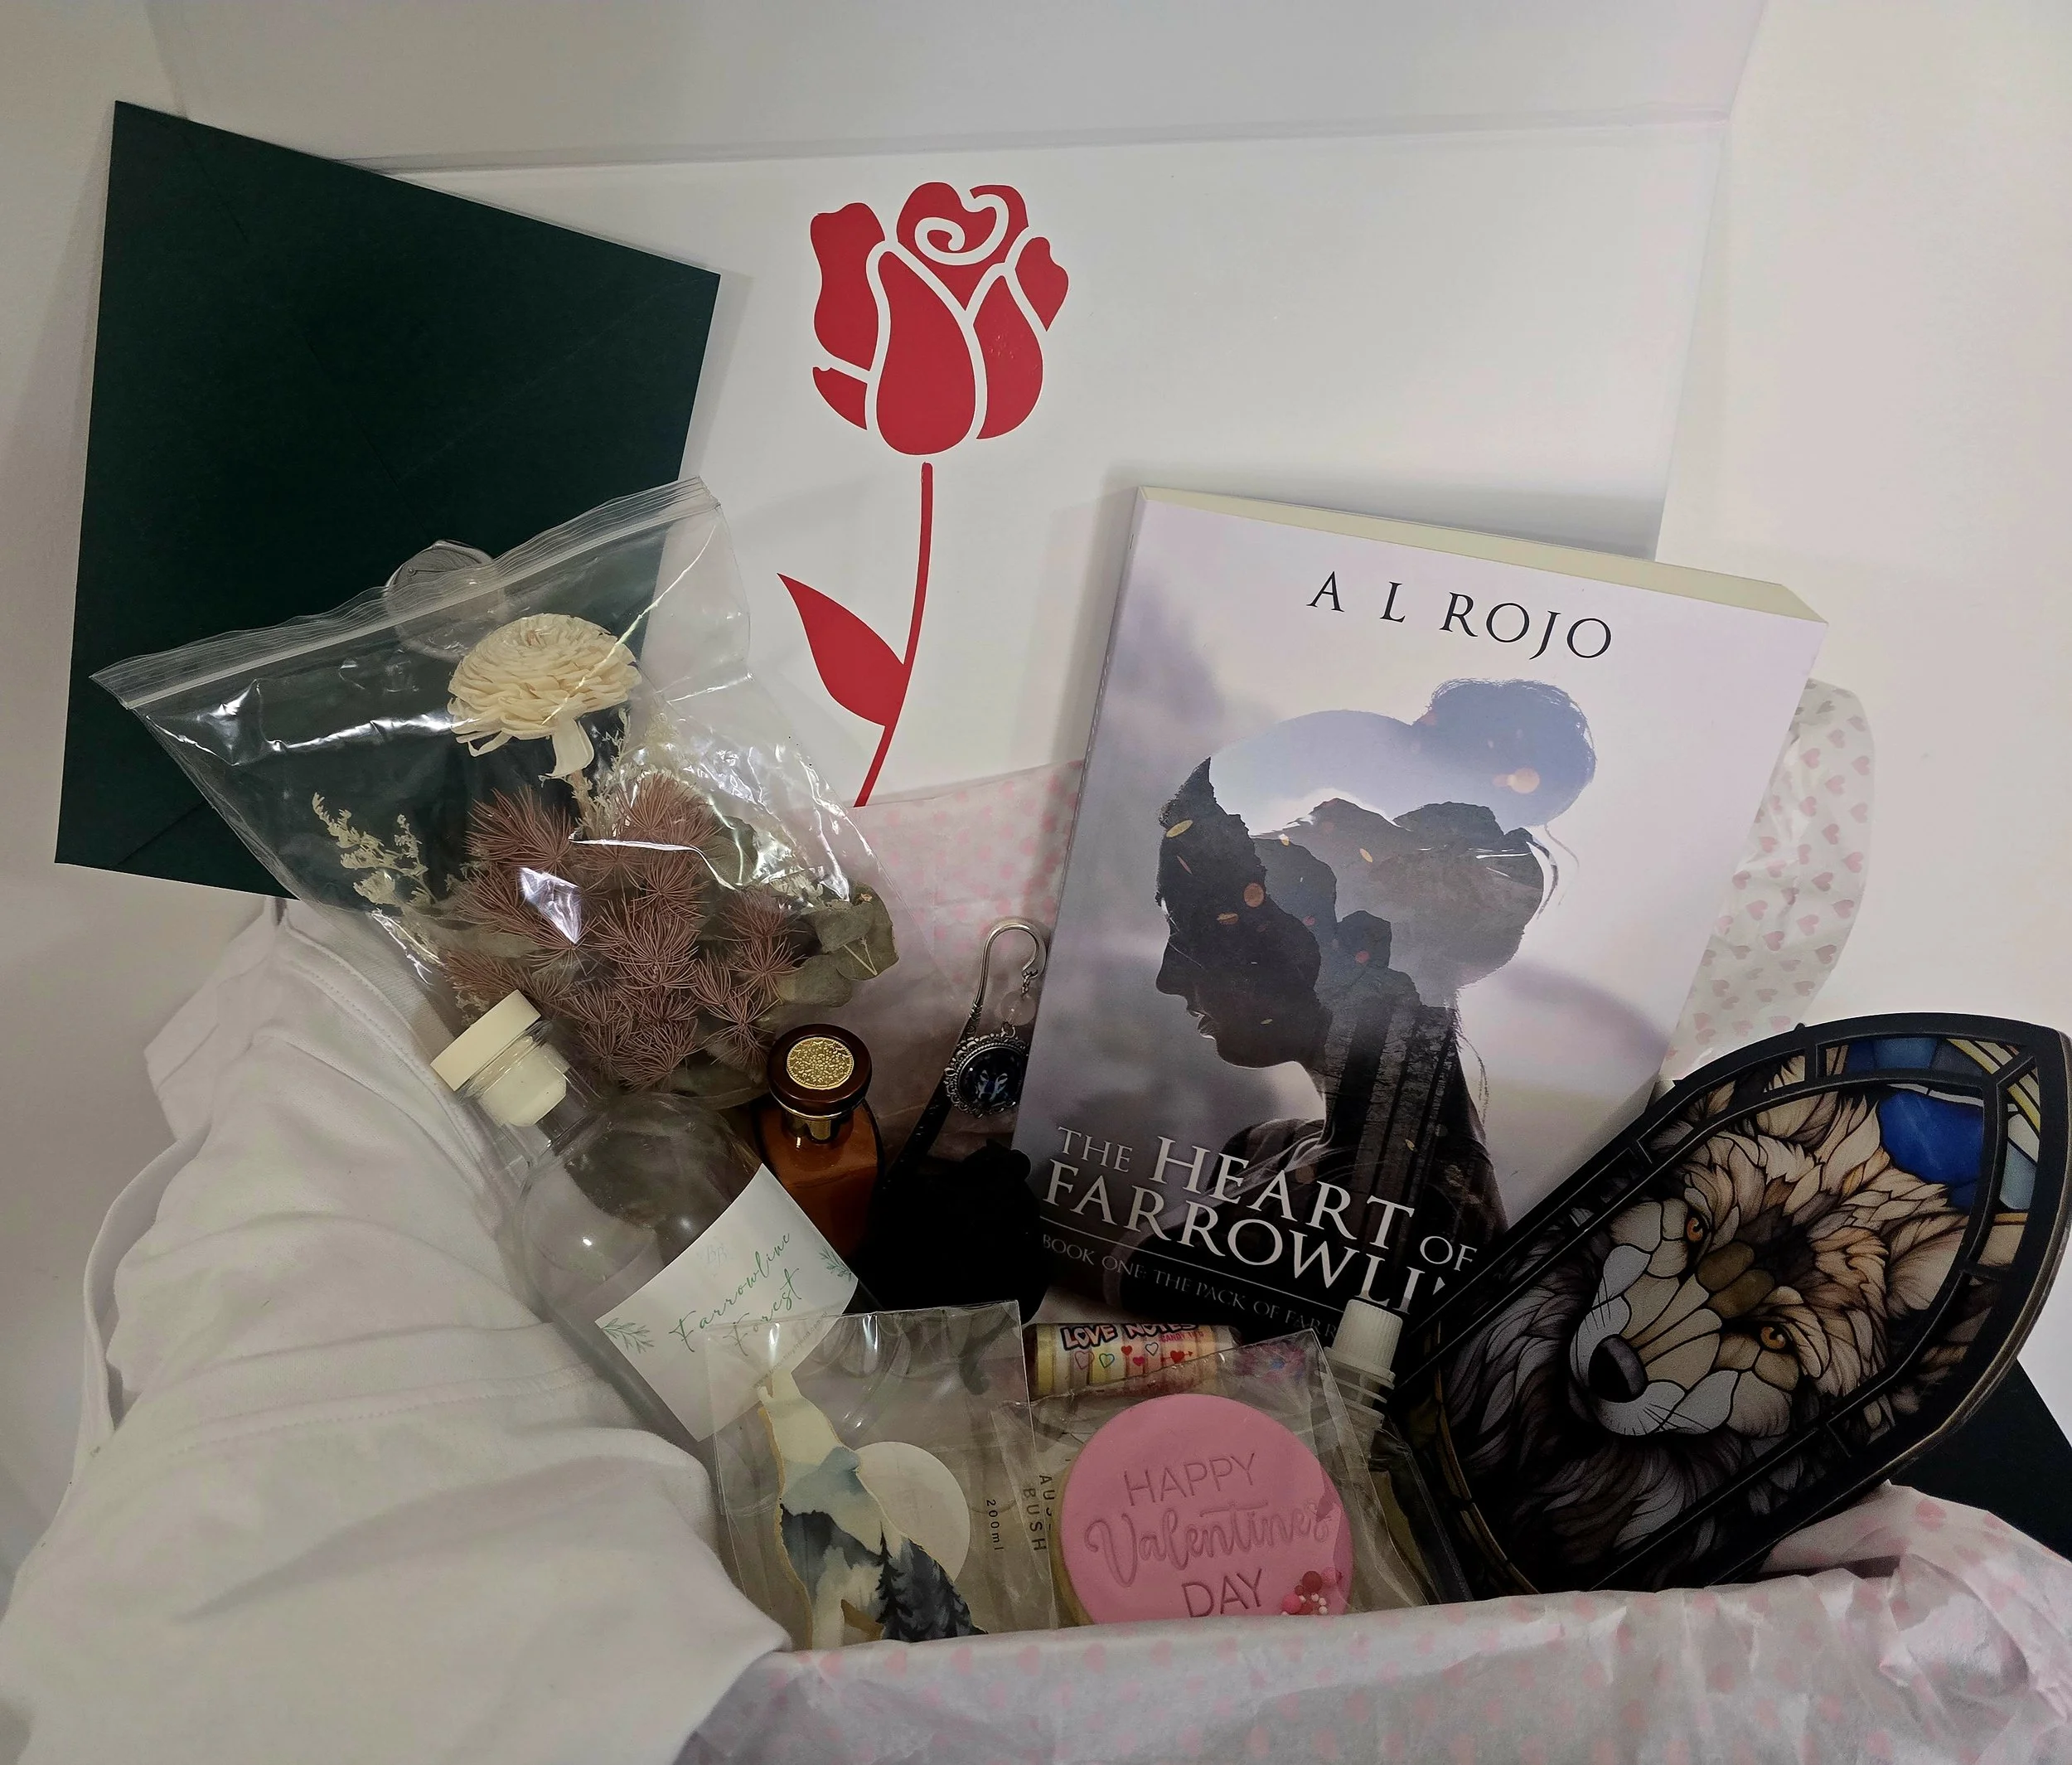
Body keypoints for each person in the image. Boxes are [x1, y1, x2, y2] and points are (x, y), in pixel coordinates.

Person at [1119, 680, 1595, 1325]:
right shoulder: (1274, 1147)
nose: (1168, 978)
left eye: (1204, 933)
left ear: (1332, 950)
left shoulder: (1386, 1206)